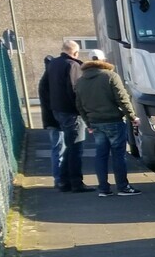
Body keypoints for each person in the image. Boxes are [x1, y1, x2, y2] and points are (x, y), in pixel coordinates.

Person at [75, 49, 140, 197]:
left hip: (95, 123)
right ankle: (123, 187)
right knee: (118, 155)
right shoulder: (110, 76)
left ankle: (103, 189)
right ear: (103, 60)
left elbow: (79, 105)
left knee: (101, 156)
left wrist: (88, 123)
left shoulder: (80, 81)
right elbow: (122, 99)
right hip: (113, 121)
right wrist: (132, 117)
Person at [42, 40, 89, 192]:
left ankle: (63, 181)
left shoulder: (53, 64)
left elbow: (44, 88)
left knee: (69, 146)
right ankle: (76, 182)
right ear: (75, 52)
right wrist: (82, 110)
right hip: (71, 112)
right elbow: (74, 90)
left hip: (57, 110)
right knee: (76, 147)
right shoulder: (73, 65)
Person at [37, 55, 65, 190]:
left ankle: (59, 178)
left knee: (58, 148)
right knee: (59, 149)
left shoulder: (44, 80)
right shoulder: (51, 81)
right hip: (56, 120)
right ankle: (59, 178)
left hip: (51, 120)